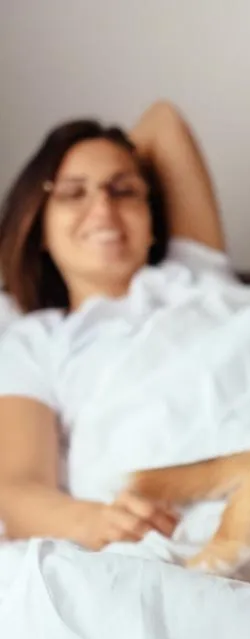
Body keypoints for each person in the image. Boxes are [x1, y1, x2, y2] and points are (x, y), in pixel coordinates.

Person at [0, 100, 229, 550]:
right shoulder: (36, 341)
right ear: (39, 226)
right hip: (178, 513)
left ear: (151, 222)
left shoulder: (197, 276)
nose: (102, 205)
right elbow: (16, 488)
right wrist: (95, 522)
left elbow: (162, 121)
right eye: (72, 193)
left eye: (122, 191)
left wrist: (101, 157)